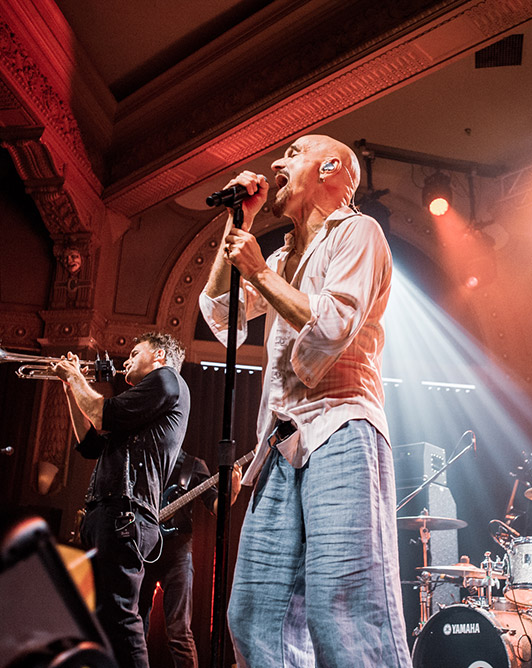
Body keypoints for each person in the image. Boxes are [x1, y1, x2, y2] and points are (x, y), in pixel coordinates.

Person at [199, 134, 411, 666]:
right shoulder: (283, 254)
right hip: (282, 443)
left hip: (341, 426)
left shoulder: (360, 233)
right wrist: (237, 226)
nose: (277, 162)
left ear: (332, 167)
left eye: (294, 153)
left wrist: (261, 273)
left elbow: (334, 322)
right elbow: (221, 313)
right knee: (253, 613)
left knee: (343, 611)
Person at [53, 332, 190, 668]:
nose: (125, 360)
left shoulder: (167, 380)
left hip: (125, 515)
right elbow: (90, 443)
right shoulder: (143, 408)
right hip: (110, 514)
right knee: (100, 622)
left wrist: (75, 377)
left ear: (158, 356)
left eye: (134, 352)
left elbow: (102, 415)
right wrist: (72, 387)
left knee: (120, 619)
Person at [138, 451, 242, 668]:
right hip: (145, 550)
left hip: (178, 553)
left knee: (179, 631)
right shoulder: (148, 460)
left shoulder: (193, 465)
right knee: (137, 625)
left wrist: (231, 493)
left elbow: (215, 506)